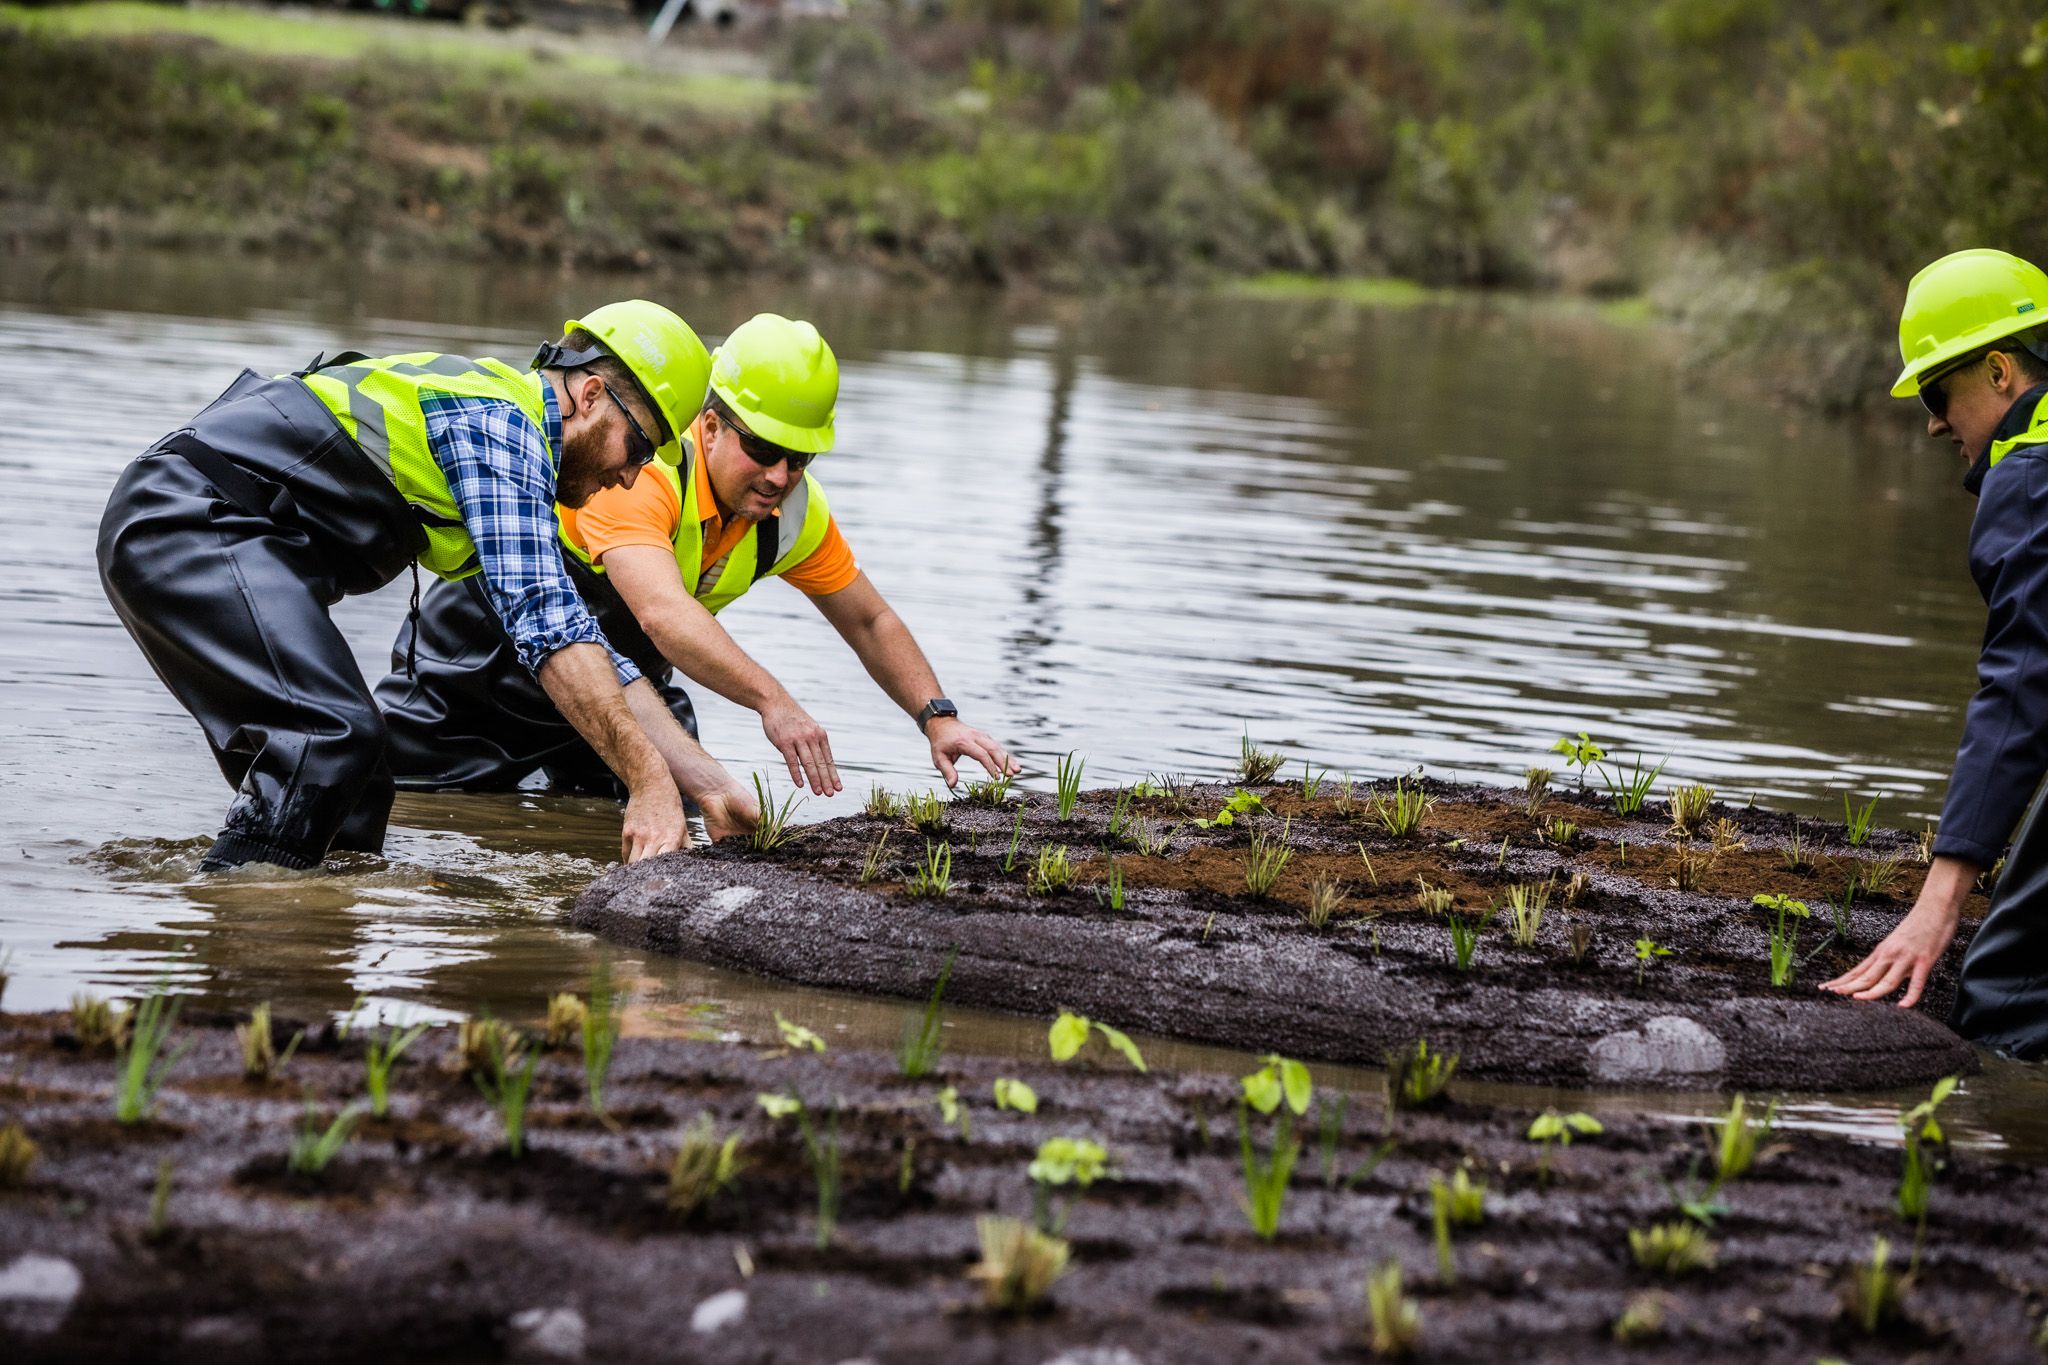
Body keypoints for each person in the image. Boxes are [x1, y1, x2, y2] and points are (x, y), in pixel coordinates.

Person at [97, 300, 754, 873]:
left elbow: (582, 640)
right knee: (328, 739)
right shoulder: (502, 428)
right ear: (588, 397)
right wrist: (646, 783)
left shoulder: (513, 453)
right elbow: (547, 629)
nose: (631, 477)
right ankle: (245, 945)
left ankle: (297, 946)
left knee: (355, 788)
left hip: (217, 528)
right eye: (639, 450)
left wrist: (702, 781)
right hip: (187, 516)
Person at [375, 312, 1018, 803]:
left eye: (801, 459)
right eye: (763, 448)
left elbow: (871, 622)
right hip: (483, 671)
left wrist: (938, 718)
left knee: (684, 815)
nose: (779, 474)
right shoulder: (642, 472)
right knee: (394, 803)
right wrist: (774, 701)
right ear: (709, 426)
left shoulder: (793, 516)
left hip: (630, 695)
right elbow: (660, 613)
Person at [1823, 248, 2048, 1058]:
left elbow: (2025, 685)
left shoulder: (2028, 477)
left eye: (1935, 391)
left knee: (2010, 998)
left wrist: (1940, 897)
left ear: (1998, 372)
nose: (1931, 420)